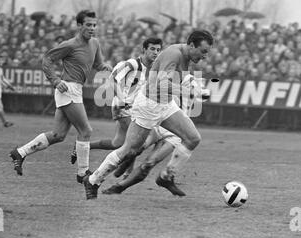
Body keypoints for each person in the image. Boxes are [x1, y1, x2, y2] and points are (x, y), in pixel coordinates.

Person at [83, 29, 214, 199]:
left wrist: (195, 89)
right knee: (128, 149)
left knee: (193, 138)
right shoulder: (174, 54)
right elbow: (161, 85)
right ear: (191, 45)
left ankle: (166, 177)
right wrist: (190, 92)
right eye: (203, 51)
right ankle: (93, 180)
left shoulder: (185, 56)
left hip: (165, 104)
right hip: (148, 106)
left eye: (207, 52)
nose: (204, 56)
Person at [8, 10, 112, 183]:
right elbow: (47, 59)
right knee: (86, 131)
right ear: (79, 26)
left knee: (58, 135)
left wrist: (105, 67)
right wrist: (55, 80)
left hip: (75, 90)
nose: (92, 28)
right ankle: (83, 173)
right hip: (68, 89)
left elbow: (97, 64)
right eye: (88, 24)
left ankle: (20, 153)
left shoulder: (95, 43)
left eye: (94, 25)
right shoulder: (70, 44)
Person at [102, 74, 211, 196]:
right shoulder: (164, 75)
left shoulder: (190, 78)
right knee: (134, 149)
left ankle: (118, 188)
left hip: (175, 132)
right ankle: (124, 164)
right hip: (160, 121)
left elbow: (203, 94)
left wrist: (199, 90)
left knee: (148, 164)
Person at [69, 37, 162, 175]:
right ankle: (125, 173)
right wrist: (121, 100)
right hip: (123, 108)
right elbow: (112, 79)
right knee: (141, 139)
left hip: (133, 109)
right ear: (144, 49)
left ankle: (82, 146)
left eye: (158, 50)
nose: (155, 52)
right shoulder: (132, 64)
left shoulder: (150, 69)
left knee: (117, 143)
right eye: (152, 49)